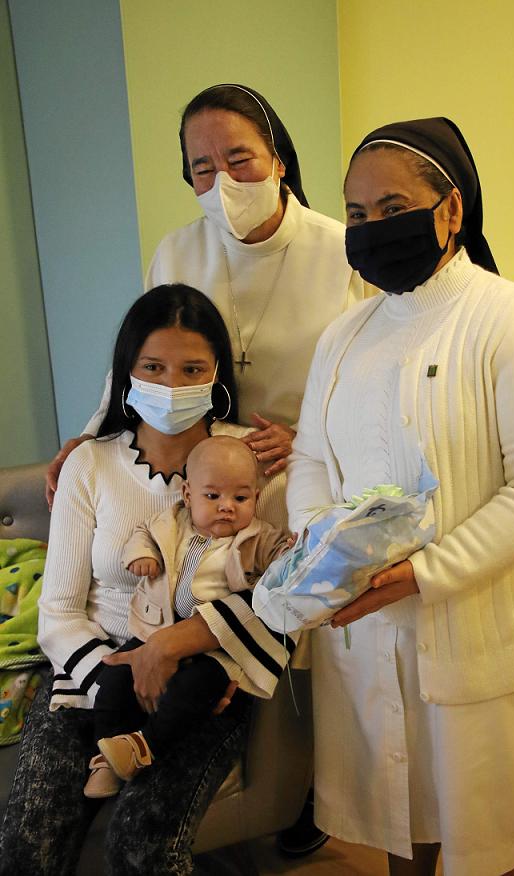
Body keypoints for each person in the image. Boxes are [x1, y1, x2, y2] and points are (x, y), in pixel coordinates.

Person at [286, 117, 514, 876]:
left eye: (392, 209)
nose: (371, 229)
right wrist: (323, 548)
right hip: (366, 630)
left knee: (489, 842)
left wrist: (423, 573)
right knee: (399, 820)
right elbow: (311, 453)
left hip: (484, 636)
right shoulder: (343, 335)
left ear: (450, 211)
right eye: (355, 215)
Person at [0, 285, 297, 875]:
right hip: (88, 678)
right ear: (127, 374)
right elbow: (59, 610)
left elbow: (286, 597)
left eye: (192, 369)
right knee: (26, 846)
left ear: (217, 375)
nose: (171, 383)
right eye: (153, 367)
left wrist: (173, 654)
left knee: (142, 848)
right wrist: (122, 673)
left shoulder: (258, 464)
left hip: (204, 687)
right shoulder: (91, 463)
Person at [46, 82, 368, 505]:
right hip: (196, 473)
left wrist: (311, 438)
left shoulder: (343, 251)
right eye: (203, 169)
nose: (224, 183)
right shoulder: (177, 252)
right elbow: (137, 361)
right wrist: (90, 438)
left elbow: (371, 381)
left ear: (279, 162)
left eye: (239, 159)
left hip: (302, 469)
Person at [85, 435, 292, 799]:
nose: (227, 507)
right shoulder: (171, 524)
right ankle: (106, 756)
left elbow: (280, 561)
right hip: (156, 630)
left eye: (240, 498)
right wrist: (142, 555)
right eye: (213, 497)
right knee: (114, 677)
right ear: (187, 494)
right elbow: (142, 534)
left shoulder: (256, 537)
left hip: (213, 647)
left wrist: (290, 550)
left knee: (198, 689)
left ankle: (145, 746)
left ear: (256, 499)